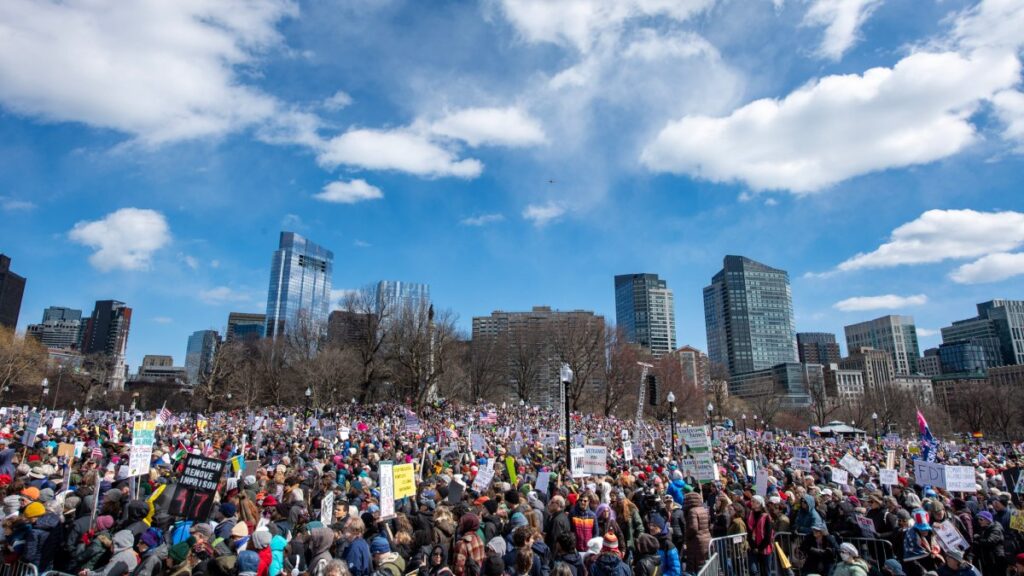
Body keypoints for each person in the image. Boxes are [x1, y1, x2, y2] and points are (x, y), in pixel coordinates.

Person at [683, 490, 711, 572]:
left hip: (696, 542)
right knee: (705, 563)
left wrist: (687, 536)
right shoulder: (703, 509)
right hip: (706, 539)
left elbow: (693, 528)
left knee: (697, 565)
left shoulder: (692, 511)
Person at [746, 496, 774, 576]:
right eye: (751, 501)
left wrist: (759, 548)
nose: (751, 503)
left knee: (765, 572)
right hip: (753, 547)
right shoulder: (750, 515)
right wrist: (753, 546)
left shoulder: (766, 517)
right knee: (753, 570)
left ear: (759, 503)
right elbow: (749, 532)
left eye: (753, 501)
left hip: (765, 548)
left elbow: (768, 536)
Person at [974, 510, 1006, 576]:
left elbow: (990, 541)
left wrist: (978, 540)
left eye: (981, 519)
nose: (979, 521)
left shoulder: (996, 528)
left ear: (988, 520)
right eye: (978, 519)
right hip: (988, 559)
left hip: (996, 559)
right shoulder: (985, 528)